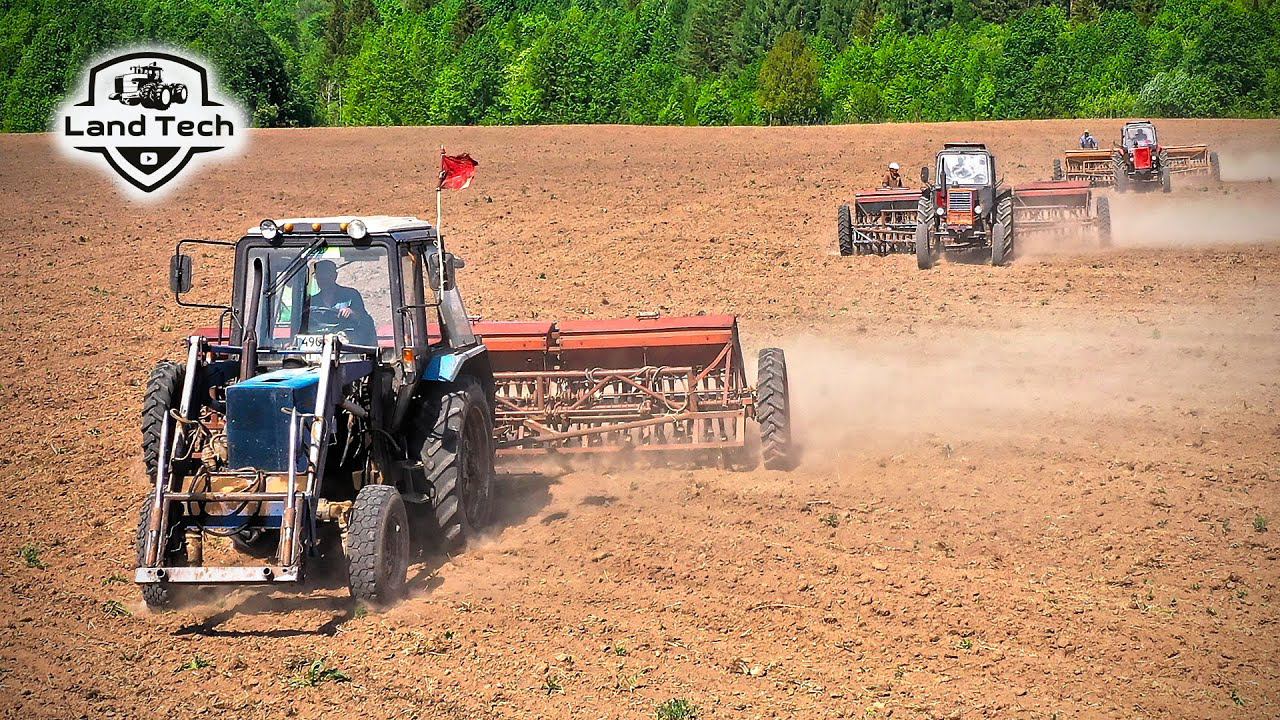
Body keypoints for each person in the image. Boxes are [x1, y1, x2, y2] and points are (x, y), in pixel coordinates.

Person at [305, 259, 376, 344]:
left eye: (326, 276)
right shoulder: (312, 301)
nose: (323, 280)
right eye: (320, 277)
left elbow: (366, 322)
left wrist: (353, 313)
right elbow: (303, 326)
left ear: (335, 276)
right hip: (317, 345)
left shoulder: (351, 295)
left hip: (347, 346)